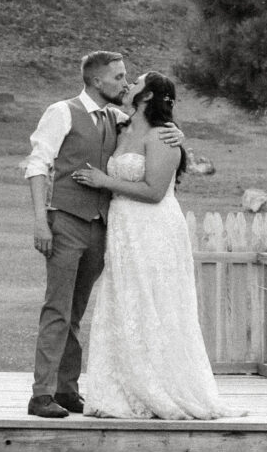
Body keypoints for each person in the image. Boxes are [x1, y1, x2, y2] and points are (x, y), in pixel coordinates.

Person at [24, 51, 183, 418]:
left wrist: (178, 131)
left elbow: (154, 127)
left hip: (101, 227)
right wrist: (39, 220)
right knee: (57, 308)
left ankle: (66, 390)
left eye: (127, 77)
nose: (125, 83)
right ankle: (41, 394)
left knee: (76, 312)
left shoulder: (118, 118)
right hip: (64, 221)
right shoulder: (61, 112)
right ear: (96, 81)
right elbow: (37, 165)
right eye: (118, 77)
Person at [72, 72, 229, 420]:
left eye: (136, 83)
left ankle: (162, 387)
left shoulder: (163, 136)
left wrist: (104, 181)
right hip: (125, 230)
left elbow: (155, 191)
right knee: (125, 300)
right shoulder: (121, 127)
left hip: (154, 227)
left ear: (148, 96)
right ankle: (119, 389)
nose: (128, 86)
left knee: (155, 302)